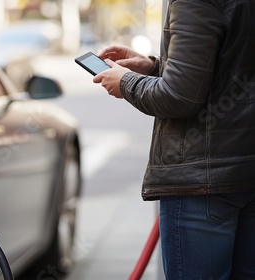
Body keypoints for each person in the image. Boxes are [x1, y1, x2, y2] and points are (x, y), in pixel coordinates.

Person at [92, 1, 255, 279]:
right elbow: (232, 71)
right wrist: (157, 67)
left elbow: (179, 97)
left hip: (202, 180)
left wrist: (126, 82)